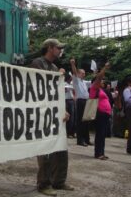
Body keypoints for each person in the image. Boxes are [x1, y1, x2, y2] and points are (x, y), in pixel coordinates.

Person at [31, 38, 74, 196]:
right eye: (58, 47)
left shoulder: (55, 67)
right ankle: (43, 183)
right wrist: (57, 75)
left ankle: (59, 181)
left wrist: (63, 109)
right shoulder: (38, 63)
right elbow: (41, 86)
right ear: (49, 48)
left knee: (61, 147)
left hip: (55, 111)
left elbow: (57, 92)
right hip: (42, 112)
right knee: (45, 149)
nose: (60, 50)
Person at [89, 62, 111, 160]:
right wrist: (105, 67)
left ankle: (101, 152)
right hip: (100, 113)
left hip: (105, 114)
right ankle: (98, 153)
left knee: (102, 134)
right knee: (100, 134)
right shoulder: (94, 88)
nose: (103, 82)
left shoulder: (101, 90)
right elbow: (99, 77)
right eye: (101, 81)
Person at [70, 58, 93, 147]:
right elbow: (74, 73)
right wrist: (73, 64)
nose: (84, 74)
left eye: (84, 73)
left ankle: (87, 139)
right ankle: (80, 140)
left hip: (86, 101)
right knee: (81, 121)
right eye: (82, 73)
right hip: (80, 101)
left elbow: (93, 82)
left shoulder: (84, 82)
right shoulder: (76, 80)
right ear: (79, 74)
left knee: (86, 121)